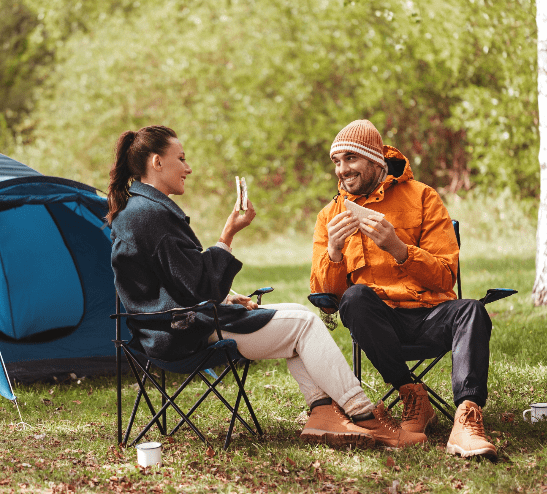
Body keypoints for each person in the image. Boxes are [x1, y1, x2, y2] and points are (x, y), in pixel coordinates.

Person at [107, 125, 426, 450]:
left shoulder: (139, 210)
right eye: (182, 158)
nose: (188, 168)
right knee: (304, 324)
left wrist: (229, 296)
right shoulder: (151, 216)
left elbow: (171, 282)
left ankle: (322, 412)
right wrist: (227, 235)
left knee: (298, 316)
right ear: (157, 163)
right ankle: (365, 416)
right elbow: (200, 285)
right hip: (183, 333)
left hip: (165, 328)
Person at [310, 119, 497, 459]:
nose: (341, 169)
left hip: (431, 315)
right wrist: (334, 255)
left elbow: (445, 275)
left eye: (350, 158)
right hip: (381, 325)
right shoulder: (330, 216)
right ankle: (412, 396)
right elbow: (329, 303)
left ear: (374, 160)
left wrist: (398, 248)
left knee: (472, 309)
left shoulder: (424, 197)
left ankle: (467, 420)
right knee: (355, 297)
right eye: (336, 162)